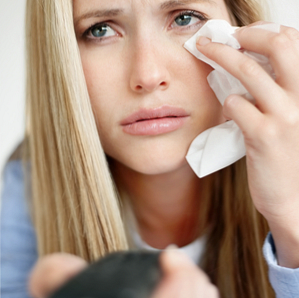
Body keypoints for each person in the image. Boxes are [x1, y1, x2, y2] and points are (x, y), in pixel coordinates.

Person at [1, 0, 299, 297]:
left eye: (184, 19)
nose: (148, 75)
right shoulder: (26, 188)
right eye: (100, 30)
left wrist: (290, 217)